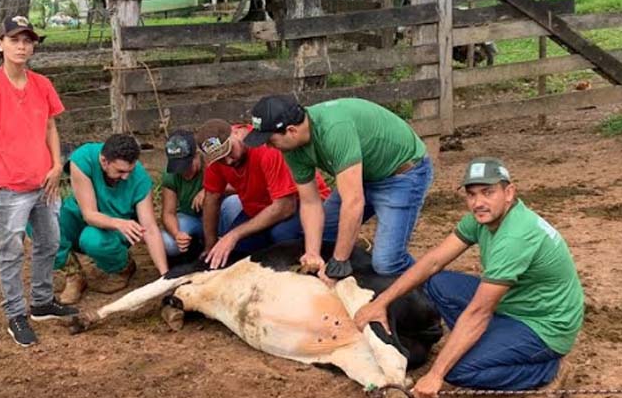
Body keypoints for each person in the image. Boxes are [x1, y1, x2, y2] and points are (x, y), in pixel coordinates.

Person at [354, 158, 584, 398]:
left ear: (509, 192)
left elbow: (478, 313)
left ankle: (549, 370)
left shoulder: (516, 237)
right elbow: (433, 261)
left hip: (545, 325)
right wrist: (382, 302)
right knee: (437, 281)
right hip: (516, 304)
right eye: (472, 194)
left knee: (459, 372)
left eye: (488, 192)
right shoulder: (482, 220)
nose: (478, 203)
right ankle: (483, 344)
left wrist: (436, 374)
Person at [0, 14, 78, 348]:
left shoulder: (42, 84)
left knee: (49, 241)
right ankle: (15, 313)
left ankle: (42, 302)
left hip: (43, 180)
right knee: (11, 249)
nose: (22, 46)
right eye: (15, 40)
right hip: (7, 185)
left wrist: (57, 164)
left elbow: (50, 127)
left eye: (28, 41)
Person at [245, 95, 433, 279]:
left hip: (400, 175)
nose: (269, 147)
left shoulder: (334, 130)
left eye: (270, 140)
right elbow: (310, 202)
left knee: (387, 263)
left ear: (292, 130)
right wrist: (312, 253)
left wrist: (339, 260)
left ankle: (434, 291)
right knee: (321, 237)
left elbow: (353, 202)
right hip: (360, 175)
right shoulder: (291, 149)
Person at [196, 118, 331, 269]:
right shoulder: (217, 161)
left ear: (236, 132)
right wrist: (211, 244)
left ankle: (307, 266)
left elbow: (285, 207)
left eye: (230, 151)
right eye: (220, 159)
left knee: (281, 235)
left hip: (301, 202)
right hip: (259, 207)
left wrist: (233, 235)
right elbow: (212, 198)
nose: (228, 161)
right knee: (233, 251)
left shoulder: (267, 148)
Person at [54, 134, 169, 303]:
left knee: (92, 238)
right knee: (44, 224)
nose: (126, 177)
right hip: (87, 215)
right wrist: (118, 223)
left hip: (115, 232)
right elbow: (89, 214)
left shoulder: (140, 179)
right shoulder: (82, 159)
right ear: (104, 161)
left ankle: (122, 267)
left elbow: (150, 227)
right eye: (120, 171)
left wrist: (165, 276)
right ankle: (73, 275)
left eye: (130, 170)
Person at [160, 130, 206, 260]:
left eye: (187, 166)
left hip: (218, 217)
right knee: (167, 243)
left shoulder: (210, 163)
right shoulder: (171, 175)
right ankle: (195, 245)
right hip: (190, 216)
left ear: (197, 156)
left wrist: (208, 190)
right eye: (179, 168)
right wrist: (177, 234)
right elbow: (168, 213)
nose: (184, 172)